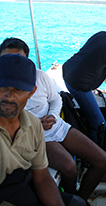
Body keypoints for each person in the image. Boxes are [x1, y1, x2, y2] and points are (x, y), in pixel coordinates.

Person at [0, 37, 106, 202]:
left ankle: (79, 198)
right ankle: (70, 195)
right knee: (69, 167)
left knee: (101, 160)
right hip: (37, 134)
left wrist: (52, 115)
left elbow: (56, 99)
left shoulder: (40, 77)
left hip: (55, 125)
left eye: (19, 61)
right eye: (7, 60)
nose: (13, 67)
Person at [0, 54, 65, 205]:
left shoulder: (33, 124)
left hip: (22, 188)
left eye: (18, 89)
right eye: (2, 87)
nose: (9, 97)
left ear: (31, 92)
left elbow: (41, 175)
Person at [62, 19, 106, 145]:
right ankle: (94, 153)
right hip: (78, 85)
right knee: (100, 123)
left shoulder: (100, 34)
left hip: (67, 71)